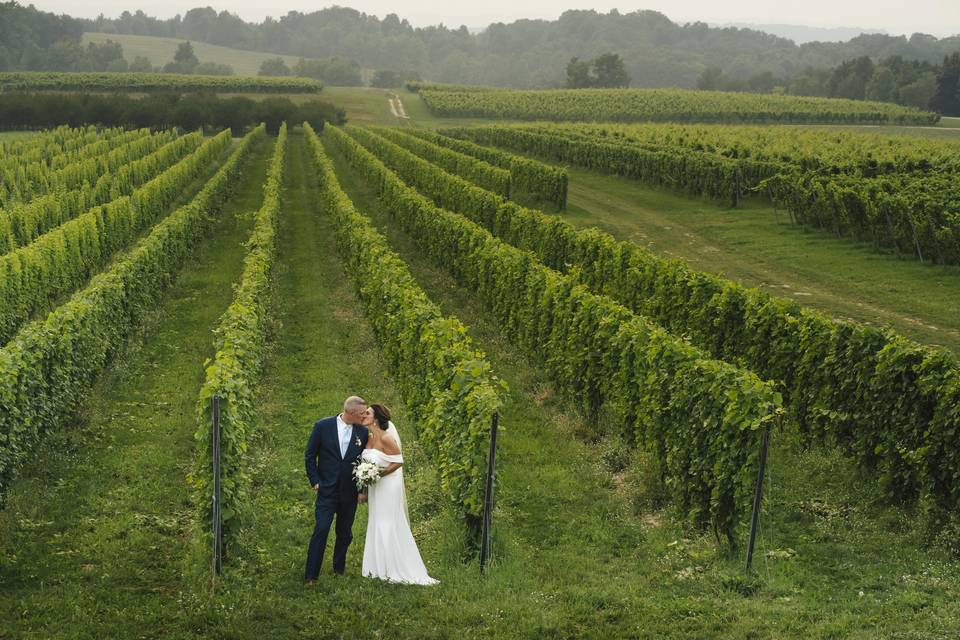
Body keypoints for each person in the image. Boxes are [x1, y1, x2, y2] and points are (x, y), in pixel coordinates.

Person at [359, 403, 438, 585]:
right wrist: (367, 480)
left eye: (368, 413)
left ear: (376, 418)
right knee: (376, 520)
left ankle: (392, 567)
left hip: (387, 486)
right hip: (375, 487)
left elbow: (398, 461)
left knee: (387, 522)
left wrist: (378, 474)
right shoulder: (368, 437)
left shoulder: (386, 438)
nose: (364, 415)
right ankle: (377, 567)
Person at [303, 395, 369, 583]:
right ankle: (311, 575)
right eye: (361, 413)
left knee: (345, 531)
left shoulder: (362, 432)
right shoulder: (322, 426)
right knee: (321, 529)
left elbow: (365, 461)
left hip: (349, 490)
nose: (364, 417)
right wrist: (315, 480)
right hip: (326, 489)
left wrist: (361, 489)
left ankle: (338, 568)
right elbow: (309, 455)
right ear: (350, 412)